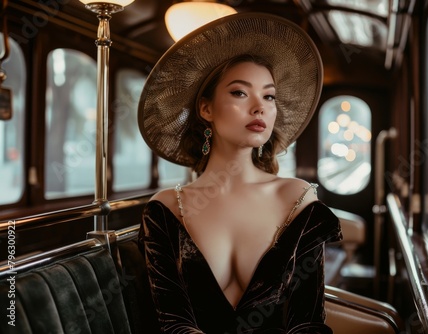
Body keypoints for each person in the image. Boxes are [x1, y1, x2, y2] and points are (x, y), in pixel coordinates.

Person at [137, 12, 343, 333]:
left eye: (269, 96)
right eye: (240, 92)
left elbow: (307, 322)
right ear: (206, 108)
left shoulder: (297, 198)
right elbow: (172, 323)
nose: (259, 107)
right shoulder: (166, 209)